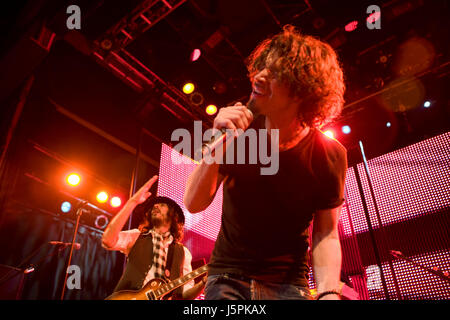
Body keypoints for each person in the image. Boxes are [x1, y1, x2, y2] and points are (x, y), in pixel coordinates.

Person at [184, 25, 347, 300]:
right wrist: (216, 144)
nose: (258, 77)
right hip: (228, 277)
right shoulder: (238, 133)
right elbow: (193, 203)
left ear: (302, 90)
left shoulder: (330, 154)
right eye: (261, 68)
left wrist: (329, 291)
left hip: (290, 285)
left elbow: (327, 234)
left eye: (274, 73)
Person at [102, 175, 206, 300]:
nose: (155, 206)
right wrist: (132, 202)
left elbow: (185, 296)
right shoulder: (137, 236)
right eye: (154, 206)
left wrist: (203, 282)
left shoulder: (183, 252)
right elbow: (107, 240)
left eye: (162, 205)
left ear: (174, 215)